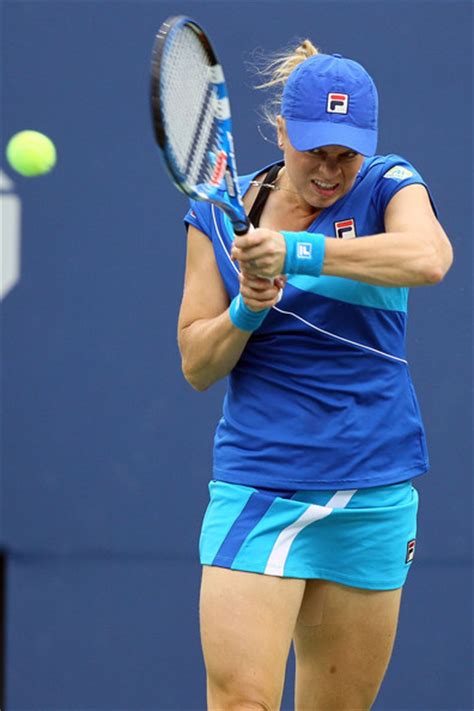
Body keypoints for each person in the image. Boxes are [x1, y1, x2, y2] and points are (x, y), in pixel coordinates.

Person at [179, 40, 453, 711]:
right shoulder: (218, 213)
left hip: (373, 490)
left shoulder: (389, 184)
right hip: (261, 485)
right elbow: (196, 363)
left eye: (345, 153)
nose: (331, 170)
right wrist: (248, 306)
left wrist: (297, 252)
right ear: (281, 131)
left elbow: (430, 257)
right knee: (242, 701)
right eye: (314, 151)